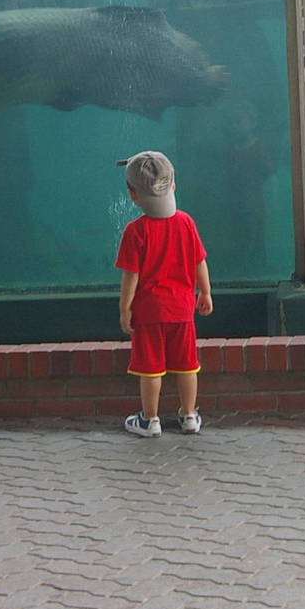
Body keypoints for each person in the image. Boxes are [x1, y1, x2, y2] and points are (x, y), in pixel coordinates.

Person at [114, 150, 213, 437]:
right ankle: (190, 416)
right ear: (173, 186)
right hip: (182, 310)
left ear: (133, 196)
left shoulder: (135, 231)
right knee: (187, 365)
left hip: (149, 312)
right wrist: (205, 292)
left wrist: (125, 309)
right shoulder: (185, 222)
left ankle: (150, 419)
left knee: (150, 368)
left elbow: (130, 277)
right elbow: (199, 261)